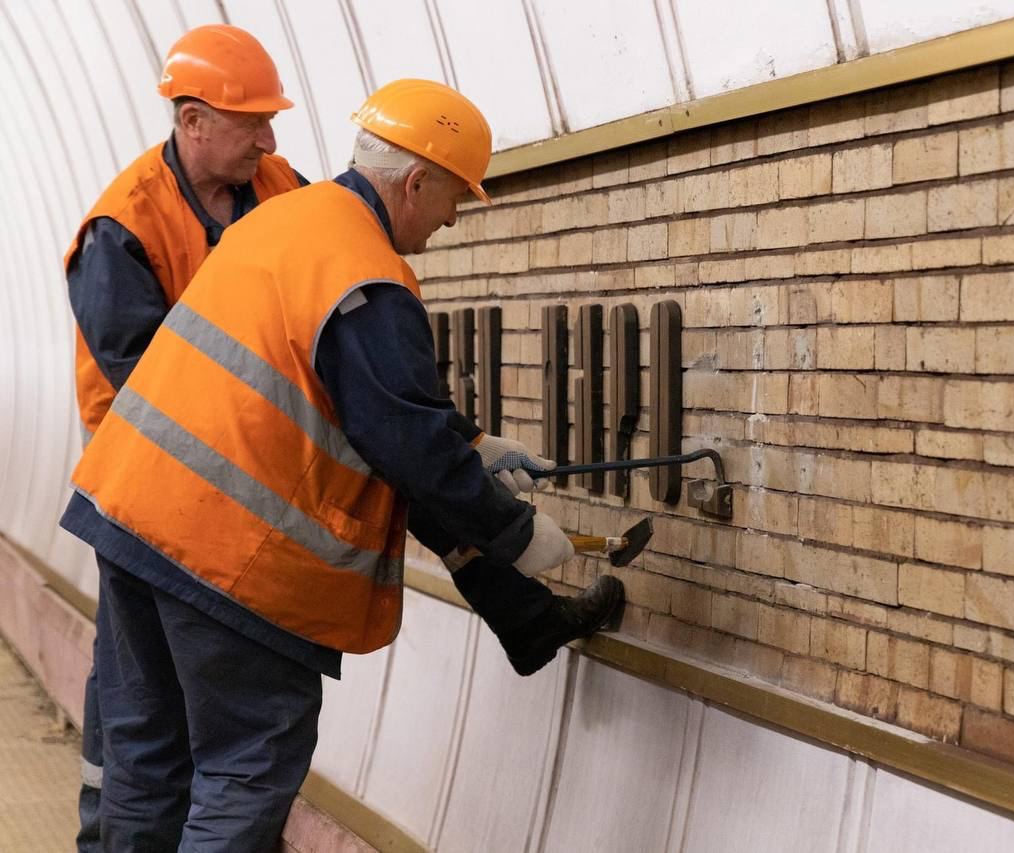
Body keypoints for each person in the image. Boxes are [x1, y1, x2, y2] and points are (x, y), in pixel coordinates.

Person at [59, 77, 625, 850]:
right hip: (228, 557)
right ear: (416, 182)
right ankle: (527, 618)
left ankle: (525, 622)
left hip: (130, 518)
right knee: (244, 767)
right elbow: (402, 439)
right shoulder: (365, 272)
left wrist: (473, 444)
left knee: (146, 758)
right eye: (453, 196)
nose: (453, 218)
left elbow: (333, 382)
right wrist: (515, 532)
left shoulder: (284, 218)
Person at [63, 24, 305, 852]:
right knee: (146, 727)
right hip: (145, 506)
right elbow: (148, 390)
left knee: (152, 722)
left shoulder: (282, 191)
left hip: (241, 507)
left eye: (272, 121)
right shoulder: (122, 228)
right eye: (253, 123)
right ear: (193, 120)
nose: (269, 141)